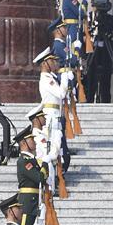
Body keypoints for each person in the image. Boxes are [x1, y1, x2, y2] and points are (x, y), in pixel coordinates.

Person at [36, 46, 71, 177]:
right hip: (51, 116)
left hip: (55, 114)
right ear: (45, 63)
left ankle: (56, 175)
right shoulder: (47, 79)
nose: (55, 62)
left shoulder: (51, 77)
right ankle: (53, 178)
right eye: (52, 60)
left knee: (57, 148)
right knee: (54, 148)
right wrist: (65, 78)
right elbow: (61, 93)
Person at [84, 0, 113, 104]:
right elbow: (84, 35)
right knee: (91, 79)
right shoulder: (89, 17)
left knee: (105, 82)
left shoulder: (110, 19)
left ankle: (106, 102)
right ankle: (89, 100)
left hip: (105, 52)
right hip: (93, 52)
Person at [15, 126, 46, 225]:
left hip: (34, 199)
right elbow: (39, 178)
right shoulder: (24, 161)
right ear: (23, 143)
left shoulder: (32, 160)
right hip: (28, 201)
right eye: (31, 140)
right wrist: (45, 165)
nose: (34, 142)